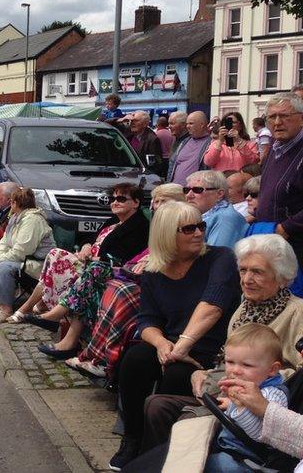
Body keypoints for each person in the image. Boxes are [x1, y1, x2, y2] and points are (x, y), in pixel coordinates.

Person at [109, 201, 241, 470]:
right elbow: (147, 320)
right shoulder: (154, 272)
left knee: (177, 374)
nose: (199, 233)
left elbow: (212, 306)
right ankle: (132, 437)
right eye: (189, 228)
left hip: (208, 349)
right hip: (171, 345)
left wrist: (181, 347)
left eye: (201, 226)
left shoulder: (221, 258)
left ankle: (162, 448)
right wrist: (160, 344)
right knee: (134, 360)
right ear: (167, 234)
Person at [141, 234, 303, 452]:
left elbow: (299, 376)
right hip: (224, 393)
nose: (246, 279)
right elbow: (228, 359)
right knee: (156, 404)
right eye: (243, 270)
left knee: (185, 420)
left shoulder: (297, 312)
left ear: (281, 277)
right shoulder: (243, 310)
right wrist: (204, 374)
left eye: (257, 272)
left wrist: (252, 379)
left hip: (262, 407)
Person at [30, 183, 151, 357]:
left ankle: (53, 315)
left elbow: (123, 257)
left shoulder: (139, 227)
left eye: (121, 199)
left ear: (136, 203)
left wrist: (96, 259)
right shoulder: (113, 221)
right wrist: (86, 247)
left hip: (107, 270)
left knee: (91, 275)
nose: (115, 202)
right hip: (90, 265)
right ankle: (46, 310)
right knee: (55, 254)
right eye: (113, 198)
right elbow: (89, 238)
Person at [207, 324, 289, 471]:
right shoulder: (248, 384)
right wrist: (229, 402)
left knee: (209, 465)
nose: (236, 370)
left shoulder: (273, 395)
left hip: (249, 457)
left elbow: (262, 435)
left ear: (272, 369)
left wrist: (240, 406)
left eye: (247, 365)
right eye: (230, 362)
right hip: (227, 445)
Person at [0, 187, 54, 322]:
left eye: (12, 202)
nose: (10, 205)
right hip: (24, 259)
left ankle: (6, 309)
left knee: (4, 267)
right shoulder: (15, 218)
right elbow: (4, 243)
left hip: (38, 263)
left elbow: (22, 251)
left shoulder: (33, 220)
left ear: (16, 204)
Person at [256, 92, 303, 298]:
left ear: (301, 118)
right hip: (272, 242)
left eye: (284, 115)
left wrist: (286, 227)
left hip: (296, 246)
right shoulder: (274, 151)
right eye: (272, 117)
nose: (277, 122)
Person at [185, 170, 247, 248]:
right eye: (186, 190)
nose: (188, 195)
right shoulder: (193, 216)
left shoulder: (225, 218)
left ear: (219, 194)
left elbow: (218, 258)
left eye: (197, 190)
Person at [167, 111, 211, 184]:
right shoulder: (184, 142)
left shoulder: (211, 143)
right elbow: (172, 165)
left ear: (202, 124)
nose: (187, 126)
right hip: (175, 190)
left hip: (195, 191)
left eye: (191, 123)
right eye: (187, 124)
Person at [125, 111, 165, 176]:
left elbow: (155, 165)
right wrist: (122, 119)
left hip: (142, 177)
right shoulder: (127, 135)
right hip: (126, 174)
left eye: (136, 121)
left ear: (145, 124)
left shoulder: (152, 139)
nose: (132, 123)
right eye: (131, 121)